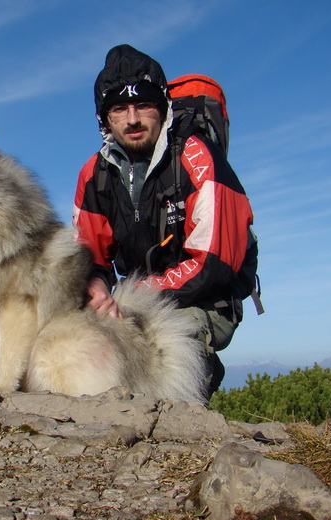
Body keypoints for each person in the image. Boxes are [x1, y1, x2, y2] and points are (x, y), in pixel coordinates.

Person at [72, 45, 256, 399]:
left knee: (172, 358)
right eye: (119, 109)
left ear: (163, 109)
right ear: (104, 119)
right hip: (138, 296)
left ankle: (188, 400)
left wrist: (134, 295)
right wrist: (95, 286)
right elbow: (87, 252)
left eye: (144, 105)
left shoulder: (197, 156)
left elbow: (214, 262)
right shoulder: (94, 174)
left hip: (204, 299)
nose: (133, 119)